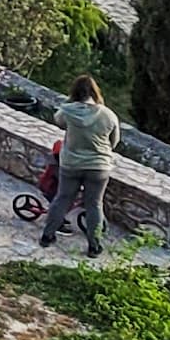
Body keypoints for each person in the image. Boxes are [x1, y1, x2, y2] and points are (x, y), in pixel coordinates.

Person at [44, 73, 120, 258]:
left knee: (62, 199)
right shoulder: (108, 115)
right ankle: (94, 246)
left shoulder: (68, 111)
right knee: (94, 204)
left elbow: (58, 121)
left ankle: (47, 235)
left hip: (71, 164)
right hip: (98, 166)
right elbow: (114, 141)